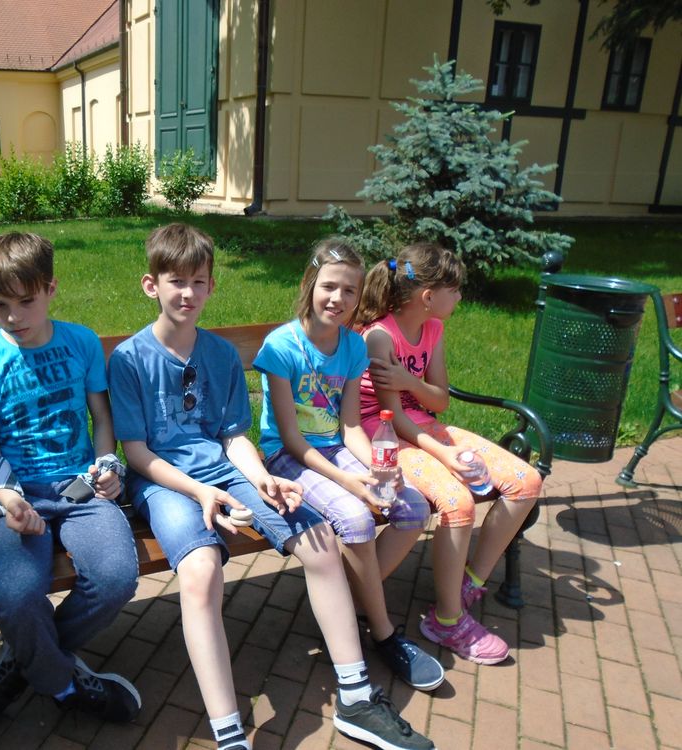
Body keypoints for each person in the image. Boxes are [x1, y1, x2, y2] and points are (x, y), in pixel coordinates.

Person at [108, 223, 434, 750]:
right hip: (164, 483)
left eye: (198, 282)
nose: (188, 293)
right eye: (176, 281)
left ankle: (355, 698)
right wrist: (202, 493)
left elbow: (234, 436)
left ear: (211, 287)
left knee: (320, 541)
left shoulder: (218, 354)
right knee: (201, 572)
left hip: (228, 470)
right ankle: (229, 733)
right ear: (152, 285)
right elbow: (138, 454)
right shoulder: (129, 359)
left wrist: (262, 478)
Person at [0, 231, 141, 728]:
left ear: (51, 289)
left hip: (80, 488)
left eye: (26, 301)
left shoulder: (81, 342)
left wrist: (109, 465)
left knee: (116, 578)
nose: (13, 317)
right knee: (16, 596)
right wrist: (8, 499)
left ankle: (26, 660)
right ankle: (63, 683)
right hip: (12, 494)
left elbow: (102, 419)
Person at [253, 237, 443, 691]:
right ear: (310, 284)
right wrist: (350, 482)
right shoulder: (282, 347)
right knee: (356, 517)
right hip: (288, 457)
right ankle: (383, 632)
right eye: (329, 287)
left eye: (349, 291)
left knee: (412, 506)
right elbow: (292, 439)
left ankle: (349, 600)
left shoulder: (353, 347)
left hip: (335, 448)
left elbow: (352, 426)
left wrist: (378, 467)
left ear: (360, 296)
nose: (337, 299)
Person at [357, 243, 542, 665]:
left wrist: (410, 380)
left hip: (424, 426)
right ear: (428, 296)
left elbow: (439, 400)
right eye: (454, 290)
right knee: (457, 502)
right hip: (384, 435)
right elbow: (392, 417)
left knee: (526, 482)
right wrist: (444, 454)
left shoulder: (433, 330)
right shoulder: (380, 337)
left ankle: (467, 584)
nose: (459, 297)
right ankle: (448, 619)